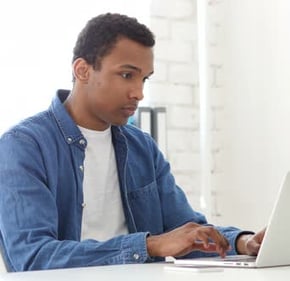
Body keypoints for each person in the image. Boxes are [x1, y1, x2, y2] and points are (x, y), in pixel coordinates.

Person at [0, 13, 264, 272]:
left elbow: (187, 230)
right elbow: (33, 257)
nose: (138, 93)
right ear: (83, 70)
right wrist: (149, 246)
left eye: (144, 79)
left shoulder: (142, 147)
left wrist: (243, 242)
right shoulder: (23, 146)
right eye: (127, 75)